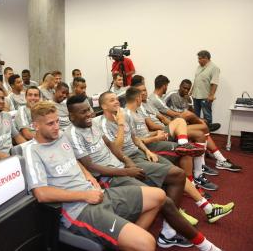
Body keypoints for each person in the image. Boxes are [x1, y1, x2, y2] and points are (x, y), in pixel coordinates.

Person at [67, 95, 230, 248]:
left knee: (175, 175)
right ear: (71, 116)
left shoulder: (93, 125)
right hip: (108, 177)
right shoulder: (75, 133)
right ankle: (196, 240)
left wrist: (129, 163)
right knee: (163, 195)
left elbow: (113, 147)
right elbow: (92, 166)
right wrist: (127, 170)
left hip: (126, 163)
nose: (89, 113)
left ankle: (174, 226)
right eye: (83, 111)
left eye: (89, 109)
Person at [25, 100, 165, 250]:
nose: (57, 127)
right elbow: (41, 193)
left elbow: (74, 160)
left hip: (97, 193)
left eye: (57, 121)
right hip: (78, 210)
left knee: (158, 196)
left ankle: (127, 244)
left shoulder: (60, 136)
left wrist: (89, 176)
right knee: (147, 243)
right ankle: (134, 243)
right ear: (36, 126)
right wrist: (84, 196)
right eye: (50, 124)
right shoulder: (32, 151)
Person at [149, 75, 242, 173]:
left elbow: (191, 112)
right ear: (165, 86)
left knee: (201, 131)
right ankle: (206, 129)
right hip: (173, 124)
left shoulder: (187, 98)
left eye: (188, 89)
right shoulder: (158, 98)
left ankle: (220, 160)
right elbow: (166, 115)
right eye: (184, 88)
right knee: (197, 122)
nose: (186, 90)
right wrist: (183, 117)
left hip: (178, 123)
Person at [191, 50, 220, 126]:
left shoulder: (214, 68)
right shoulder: (199, 67)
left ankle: (207, 132)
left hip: (205, 97)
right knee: (195, 116)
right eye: (198, 59)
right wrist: (191, 90)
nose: (198, 61)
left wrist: (211, 95)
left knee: (207, 116)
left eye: (200, 59)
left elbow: (215, 83)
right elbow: (196, 79)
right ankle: (197, 131)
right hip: (196, 95)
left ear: (206, 58)